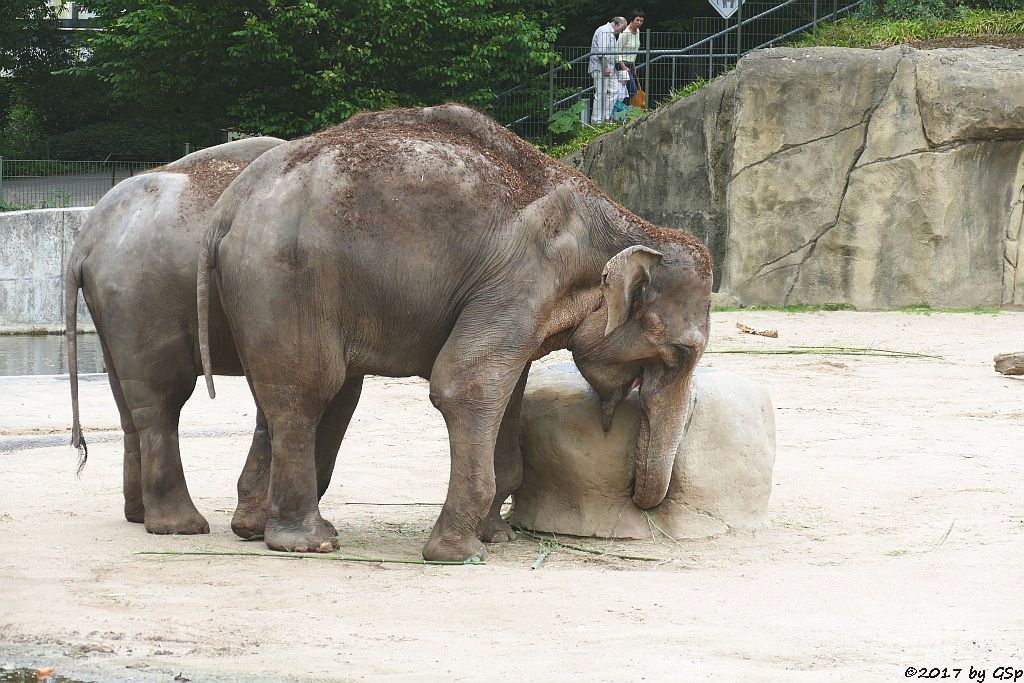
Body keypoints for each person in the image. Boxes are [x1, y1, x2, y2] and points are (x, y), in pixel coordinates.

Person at [589, 16, 627, 124]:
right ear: (617, 24)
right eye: (622, 29)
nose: (622, 31)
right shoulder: (604, 31)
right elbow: (602, 53)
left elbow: (614, 55)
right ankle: (596, 121)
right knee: (600, 93)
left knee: (614, 90)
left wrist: (622, 66)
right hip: (599, 67)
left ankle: (605, 117)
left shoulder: (612, 34)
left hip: (610, 68)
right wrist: (605, 67)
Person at [616, 9, 645, 102]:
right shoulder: (625, 33)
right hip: (622, 65)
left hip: (631, 65)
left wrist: (633, 65)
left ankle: (625, 114)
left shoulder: (638, 31)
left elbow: (634, 49)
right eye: (637, 20)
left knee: (628, 92)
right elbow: (617, 49)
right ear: (632, 20)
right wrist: (623, 66)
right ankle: (623, 114)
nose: (639, 23)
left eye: (641, 21)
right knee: (631, 91)